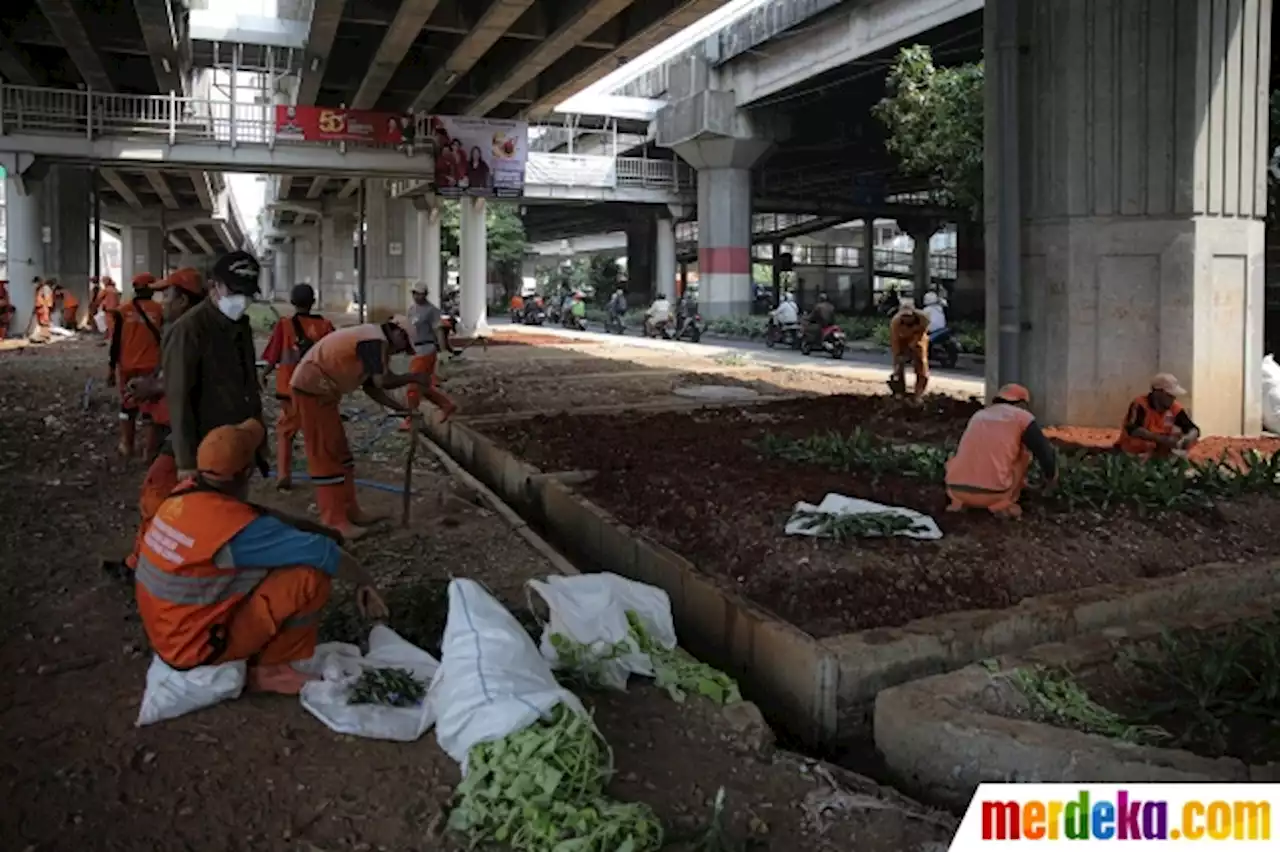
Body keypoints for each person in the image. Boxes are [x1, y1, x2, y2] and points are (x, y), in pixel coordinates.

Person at [134, 418, 389, 695]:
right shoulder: (237, 531)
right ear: (246, 472)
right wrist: (366, 581)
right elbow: (323, 552)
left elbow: (266, 516)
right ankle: (273, 670)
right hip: (197, 649)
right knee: (309, 577)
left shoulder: (181, 498)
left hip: (167, 632)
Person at [290, 321, 431, 539]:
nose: (399, 351)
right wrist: (414, 377)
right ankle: (334, 520)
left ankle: (350, 511)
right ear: (396, 331)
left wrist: (403, 410)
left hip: (323, 393)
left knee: (342, 456)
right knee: (327, 455)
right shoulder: (373, 341)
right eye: (402, 345)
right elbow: (382, 381)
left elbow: (371, 386)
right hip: (312, 390)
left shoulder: (373, 341)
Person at [112, 268, 208, 576]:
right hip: (191, 424)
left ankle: (148, 565)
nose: (163, 300)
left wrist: (153, 386)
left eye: (168, 294)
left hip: (189, 427)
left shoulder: (186, 330)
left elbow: (186, 380)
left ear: (182, 299)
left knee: (157, 490)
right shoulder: (203, 326)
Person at [163, 250, 265, 483]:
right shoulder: (189, 330)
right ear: (214, 286)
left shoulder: (240, 326)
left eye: (247, 294)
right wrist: (186, 462)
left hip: (236, 442)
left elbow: (249, 384)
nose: (242, 299)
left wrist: (256, 442)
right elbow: (179, 399)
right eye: (235, 291)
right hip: (206, 448)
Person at [261, 284, 336, 490]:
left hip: (290, 388)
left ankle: (284, 475)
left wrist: (264, 374)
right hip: (316, 389)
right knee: (317, 432)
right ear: (313, 302)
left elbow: (273, 355)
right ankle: (321, 472)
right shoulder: (326, 326)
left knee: (286, 432)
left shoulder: (284, 325)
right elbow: (332, 356)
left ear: (292, 302)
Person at [945, 384, 1058, 520]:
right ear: (1021, 403)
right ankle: (1003, 504)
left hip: (956, 490)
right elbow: (1044, 452)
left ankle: (961, 503)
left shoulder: (979, 415)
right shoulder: (1022, 417)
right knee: (1024, 455)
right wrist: (1050, 480)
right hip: (994, 494)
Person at [107, 273, 166, 459]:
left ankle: (127, 445)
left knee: (127, 406)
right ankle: (149, 450)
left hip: (127, 366)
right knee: (150, 408)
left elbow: (115, 342)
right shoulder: (160, 311)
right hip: (152, 366)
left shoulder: (122, 311)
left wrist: (110, 368)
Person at [402, 283, 457, 430]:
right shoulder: (412, 309)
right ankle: (446, 405)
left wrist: (443, 351)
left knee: (413, 386)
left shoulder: (431, 311)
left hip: (427, 349)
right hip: (416, 349)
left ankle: (411, 418)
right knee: (423, 387)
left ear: (425, 294)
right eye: (414, 293)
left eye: (419, 293)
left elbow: (439, 330)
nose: (416, 296)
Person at [1116, 374, 1201, 457]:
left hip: (1158, 453)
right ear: (1157, 393)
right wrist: (1162, 440)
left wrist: (1188, 438)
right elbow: (1133, 429)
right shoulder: (1140, 404)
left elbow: (1193, 428)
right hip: (1132, 453)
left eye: (1173, 396)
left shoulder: (1174, 407)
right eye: (1169, 395)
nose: (1173, 399)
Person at [889, 302, 931, 400]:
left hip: (918, 338)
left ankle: (919, 393)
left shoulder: (923, 318)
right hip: (901, 340)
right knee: (898, 363)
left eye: (909, 316)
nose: (906, 318)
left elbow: (922, 331)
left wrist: (914, 343)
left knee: (921, 363)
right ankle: (899, 391)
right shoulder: (895, 323)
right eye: (904, 316)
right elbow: (895, 342)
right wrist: (899, 356)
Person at [31, 277, 54, 342]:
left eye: (35, 283)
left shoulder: (45, 288)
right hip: (39, 308)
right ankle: (42, 336)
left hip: (44, 307)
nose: (35, 284)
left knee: (44, 322)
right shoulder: (38, 289)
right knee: (40, 323)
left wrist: (46, 306)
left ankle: (46, 336)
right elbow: (37, 299)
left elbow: (47, 298)